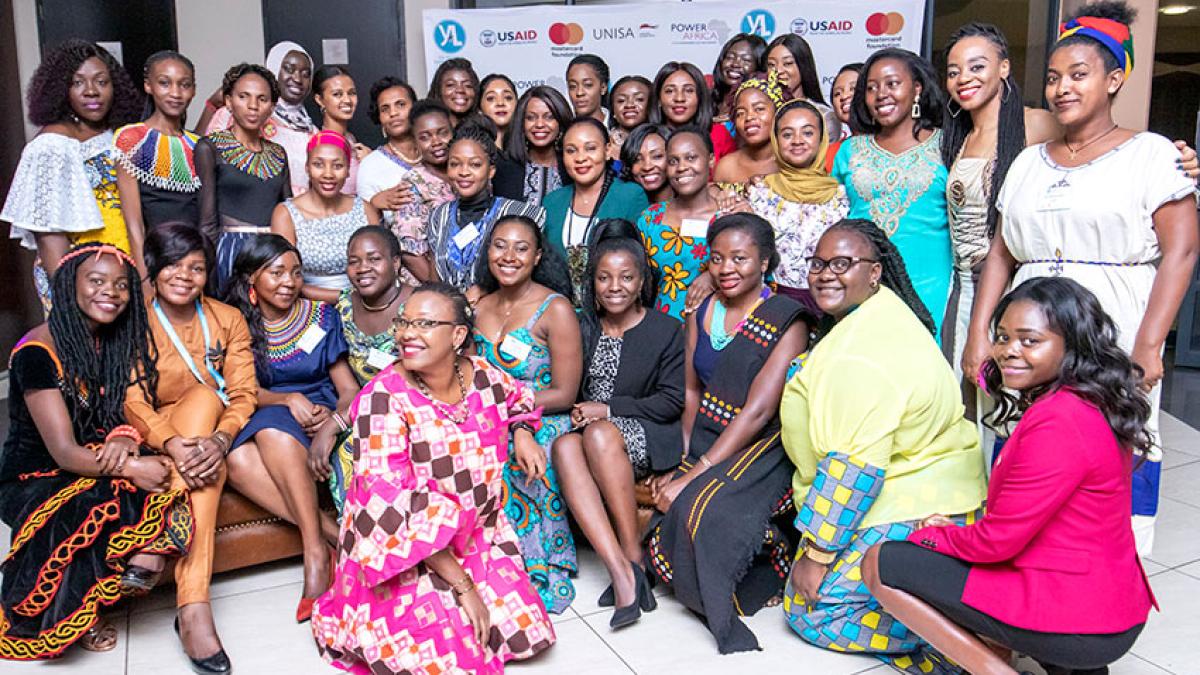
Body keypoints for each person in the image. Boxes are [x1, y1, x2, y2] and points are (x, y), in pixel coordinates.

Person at [963, 1, 1200, 554]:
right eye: (1052, 78)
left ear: (1114, 79)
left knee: (1109, 447)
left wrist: (1149, 343)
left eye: (1078, 75)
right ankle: (1016, 570)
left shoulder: (1153, 156)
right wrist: (981, 335)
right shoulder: (1027, 162)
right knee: (1023, 445)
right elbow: (1000, 253)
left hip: (1113, 324)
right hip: (1027, 330)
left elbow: (1182, 251)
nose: (1062, 88)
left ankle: (1108, 578)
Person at [867, 277, 1158, 675]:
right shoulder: (1093, 400)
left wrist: (933, 535)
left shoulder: (1060, 420)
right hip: (1111, 607)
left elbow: (996, 543)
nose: (1008, 352)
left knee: (882, 561)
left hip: (1081, 621)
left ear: (1070, 345)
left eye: (1029, 340)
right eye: (1002, 338)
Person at [310, 283, 556, 673]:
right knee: (446, 655)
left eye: (425, 323)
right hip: (403, 547)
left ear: (458, 336)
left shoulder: (485, 377)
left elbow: (519, 398)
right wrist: (464, 587)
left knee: (523, 632)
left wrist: (523, 431)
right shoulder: (382, 399)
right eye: (404, 322)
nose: (408, 333)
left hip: (476, 534)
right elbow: (391, 509)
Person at [780, 219, 986, 675]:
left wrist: (816, 557)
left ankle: (959, 640)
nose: (825, 274)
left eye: (842, 264)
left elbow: (853, 472)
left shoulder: (859, 356)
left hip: (916, 500)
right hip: (940, 486)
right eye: (818, 264)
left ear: (875, 272)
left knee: (811, 610)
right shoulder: (885, 313)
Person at [0, 243, 191, 659]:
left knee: (165, 474)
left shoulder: (109, 339)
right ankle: (77, 612)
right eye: (98, 281)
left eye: (122, 285)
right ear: (71, 286)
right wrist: (131, 469)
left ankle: (137, 566)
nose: (113, 292)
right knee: (94, 502)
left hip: (95, 453)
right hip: (36, 474)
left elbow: (113, 411)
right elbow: (65, 452)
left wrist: (123, 435)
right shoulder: (37, 352)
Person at [647, 213, 808, 653]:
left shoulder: (786, 320)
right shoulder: (701, 310)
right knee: (659, 502)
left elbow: (758, 412)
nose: (727, 268)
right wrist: (684, 455)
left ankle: (766, 564)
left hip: (763, 444)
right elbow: (692, 390)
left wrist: (693, 474)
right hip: (707, 434)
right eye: (717, 258)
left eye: (740, 258)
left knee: (701, 509)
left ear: (765, 262)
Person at [123, 224, 257, 673]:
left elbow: (242, 394)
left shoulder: (227, 318)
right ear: (154, 268)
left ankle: (177, 571)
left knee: (205, 400)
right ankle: (194, 611)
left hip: (208, 434)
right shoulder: (136, 322)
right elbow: (133, 401)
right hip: (161, 435)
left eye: (196, 267)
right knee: (202, 411)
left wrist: (221, 439)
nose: (184, 275)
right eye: (173, 265)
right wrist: (172, 443)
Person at [555, 220, 684, 628]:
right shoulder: (582, 325)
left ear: (641, 281)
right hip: (591, 434)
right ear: (591, 282)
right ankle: (622, 570)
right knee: (562, 446)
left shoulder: (666, 329)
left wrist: (606, 410)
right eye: (604, 278)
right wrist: (581, 409)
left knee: (597, 432)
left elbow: (671, 401)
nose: (615, 286)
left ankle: (633, 555)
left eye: (626, 277)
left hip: (646, 435)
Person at [222, 235, 357, 623]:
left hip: (320, 410)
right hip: (266, 405)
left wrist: (334, 418)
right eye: (276, 272)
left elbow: (346, 387)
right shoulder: (236, 322)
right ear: (252, 279)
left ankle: (315, 554)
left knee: (271, 436)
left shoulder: (321, 315)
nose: (289, 281)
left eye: (296, 272)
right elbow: (240, 390)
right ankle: (328, 537)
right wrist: (285, 400)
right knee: (237, 458)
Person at [471, 215, 582, 614]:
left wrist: (513, 412)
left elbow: (565, 393)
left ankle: (529, 563)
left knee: (512, 458)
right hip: (488, 416)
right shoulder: (478, 306)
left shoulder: (556, 309)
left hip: (546, 416)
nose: (509, 256)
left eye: (521, 248)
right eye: (500, 245)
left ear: (537, 257)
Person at [2, 39, 140, 313]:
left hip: (120, 272)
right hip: (80, 282)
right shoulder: (51, 146)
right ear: (61, 90)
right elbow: (48, 235)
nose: (91, 91)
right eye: (78, 83)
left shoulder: (117, 135)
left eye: (102, 81)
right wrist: (71, 298)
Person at [832, 48, 953, 343]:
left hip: (930, 286)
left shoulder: (948, 144)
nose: (880, 94)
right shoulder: (849, 150)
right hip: (863, 285)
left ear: (917, 89)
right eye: (871, 88)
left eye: (892, 84)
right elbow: (829, 216)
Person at [324, 225, 415, 512]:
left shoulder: (419, 306)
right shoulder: (344, 307)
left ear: (396, 263)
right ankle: (360, 544)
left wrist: (337, 423)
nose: (363, 268)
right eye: (354, 261)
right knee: (347, 451)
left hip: (417, 409)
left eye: (374, 259)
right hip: (364, 411)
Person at [733, 99, 849, 317]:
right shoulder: (758, 192)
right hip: (772, 307)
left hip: (831, 308)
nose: (797, 141)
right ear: (776, 141)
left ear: (822, 138)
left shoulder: (842, 197)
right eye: (787, 134)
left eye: (807, 133)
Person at [197, 63, 291, 295]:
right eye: (243, 97)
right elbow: (207, 222)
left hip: (272, 252)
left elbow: (290, 213)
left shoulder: (279, 153)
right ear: (228, 101)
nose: (252, 106)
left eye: (262, 99)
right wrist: (207, 276)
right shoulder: (210, 147)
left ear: (272, 107)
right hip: (231, 251)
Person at [428, 122, 546, 294]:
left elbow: (531, 277)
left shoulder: (521, 214)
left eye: (475, 164)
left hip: (501, 313)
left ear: (491, 171)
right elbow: (435, 280)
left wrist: (485, 289)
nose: (464, 172)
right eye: (455, 164)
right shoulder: (439, 216)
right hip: (450, 315)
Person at [543, 117, 649, 298]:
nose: (581, 158)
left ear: (608, 150)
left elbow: (640, 263)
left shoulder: (630, 196)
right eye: (571, 151)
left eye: (590, 148)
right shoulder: (552, 202)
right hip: (561, 311)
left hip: (613, 309)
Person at [271, 130, 381, 303]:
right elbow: (285, 278)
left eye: (337, 166)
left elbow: (380, 266)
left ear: (348, 170)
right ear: (307, 167)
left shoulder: (365, 209)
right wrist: (346, 298)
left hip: (366, 303)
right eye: (318, 164)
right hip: (310, 308)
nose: (328, 174)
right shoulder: (286, 214)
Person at [114, 50, 201, 266]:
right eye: (164, 83)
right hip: (156, 259)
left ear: (193, 90)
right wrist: (145, 279)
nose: (175, 93)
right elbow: (133, 223)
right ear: (148, 86)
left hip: (195, 259)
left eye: (184, 84)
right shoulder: (132, 138)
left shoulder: (199, 145)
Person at [204, 41, 315, 196]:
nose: (297, 79)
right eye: (289, 69)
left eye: (306, 74)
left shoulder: (313, 132)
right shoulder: (234, 115)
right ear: (275, 69)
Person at [356, 76, 438, 279]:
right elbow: (370, 233)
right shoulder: (370, 165)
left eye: (400, 104)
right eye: (385, 109)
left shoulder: (438, 153)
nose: (393, 113)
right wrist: (375, 203)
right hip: (403, 272)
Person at [637, 126, 720, 320]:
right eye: (673, 161)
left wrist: (714, 276)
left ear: (710, 160)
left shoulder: (728, 216)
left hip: (714, 328)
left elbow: (756, 271)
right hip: (663, 328)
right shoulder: (650, 218)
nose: (682, 167)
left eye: (691, 158)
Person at [391, 99, 457, 281]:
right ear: (416, 143)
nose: (436, 142)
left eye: (442, 133)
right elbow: (410, 253)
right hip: (427, 286)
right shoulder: (413, 182)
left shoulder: (467, 174)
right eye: (425, 137)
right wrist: (444, 293)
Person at [494, 85, 572, 205]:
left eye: (549, 117)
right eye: (531, 118)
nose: (539, 124)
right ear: (522, 124)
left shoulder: (573, 168)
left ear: (560, 122)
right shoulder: (504, 170)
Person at [712, 71, 788, 190]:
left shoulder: (792, 162)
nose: (749, 117)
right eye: (740, 113)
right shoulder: (726, 167)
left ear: (778, 112)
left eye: (759, 109)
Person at [648, 62, 736, 163]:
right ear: (659, 99)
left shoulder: (719, 134)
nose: (679, 98)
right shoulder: (647, 139)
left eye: (689, 90)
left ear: (700, 97)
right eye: (670, 91)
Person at [763, 35, 842, 141]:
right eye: (771, 65)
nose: (778, 71)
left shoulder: (824, 117)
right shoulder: (763, 115)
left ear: (803, 66)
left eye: (787, 63)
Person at [312, 65, 368, 195]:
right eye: (337, 94)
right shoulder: (321, 144)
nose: (347, 100)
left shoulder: (350, 138)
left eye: (352, 93)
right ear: (320, 100)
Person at [711, 33, 768, 132]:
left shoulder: (760, 109)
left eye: (746, 60)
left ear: (759, 66)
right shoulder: (706, 100)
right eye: (730, 57)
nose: (735, 64)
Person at [621, 123, 673, 204]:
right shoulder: (626, 208)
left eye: (657, 156)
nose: (647, 167)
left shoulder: (693, 208)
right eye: (636, 159)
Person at [824, 63, 862, 171]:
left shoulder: (892, 143)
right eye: (837, 94)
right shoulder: (833, 153)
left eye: (853, 89)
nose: (844, 96)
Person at [607, 75, 653, 161]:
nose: (629, 105)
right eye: (621, 100)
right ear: (613, 109)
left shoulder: (663, 141)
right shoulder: (602, 145)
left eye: (639, 99)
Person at [429, 57, 479, 127]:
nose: (460, 90)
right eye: (450, 85)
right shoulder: (428, 129)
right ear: (439, 90)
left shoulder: (484, 132)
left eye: (467, 85)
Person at [567, 54, 610, 123]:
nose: (579, 93)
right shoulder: (563, 130)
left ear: (603, 88)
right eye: (573, 86)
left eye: (588, 85)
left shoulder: (620, 128)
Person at [479, 73, 518, 146]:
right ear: (479, 107)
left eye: (508, 98)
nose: (500, 103)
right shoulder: (472, 148)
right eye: (491, 98)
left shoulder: (528, 149)